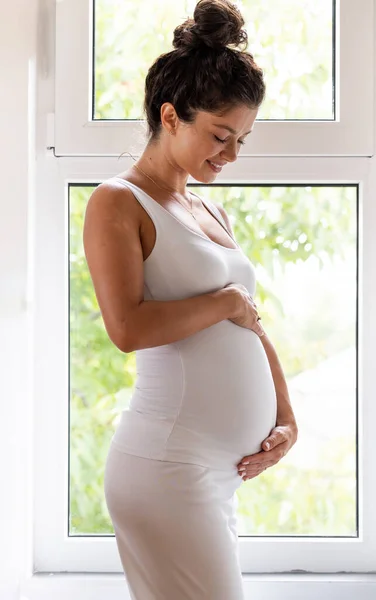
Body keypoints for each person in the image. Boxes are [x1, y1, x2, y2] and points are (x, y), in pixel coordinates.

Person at [83, 0, 298, 598]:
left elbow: (248, 320)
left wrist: (285, 414)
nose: (231, 155)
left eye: (242, 140)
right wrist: (225, 301)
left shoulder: (208, 208)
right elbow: (126, 327)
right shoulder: (116, 202)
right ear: (171, 115)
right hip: (167, 468)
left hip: (215, 475)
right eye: (220, 136)